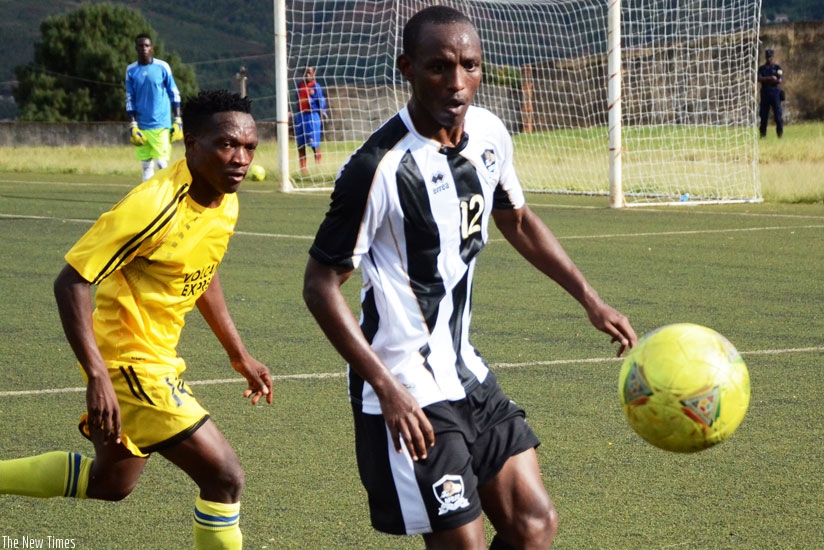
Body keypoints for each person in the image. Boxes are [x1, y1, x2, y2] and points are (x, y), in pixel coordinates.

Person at [302, 6, 637, 549]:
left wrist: (589, 300)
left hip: (465, 371)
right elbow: (319, 285)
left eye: (469, 66)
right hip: (404, 383)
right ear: (407, 67)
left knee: (534, 524)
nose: (456, 83)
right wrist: (386, 388)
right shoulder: (377, 167)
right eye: (438, 67)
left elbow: (517, 221)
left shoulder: (488, 133)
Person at [0, 89, 272, 550]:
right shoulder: (152, 206)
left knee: (111, 483)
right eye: (227, 144)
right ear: (191, 144)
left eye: (249, 148)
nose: (240, 159)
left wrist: (238, 353)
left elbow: (201, 270)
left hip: (153, 356)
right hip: (129, 363)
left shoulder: (224, 197)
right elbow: (72, 281)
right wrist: (98, 376)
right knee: (224, 477)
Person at [126, 33, 183, 181]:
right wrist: (133, 124)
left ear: (152, 48)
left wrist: (178, 118)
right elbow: (129, 97)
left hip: (161, 124)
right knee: (146, 165)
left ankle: (169, 193)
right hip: (141, 125)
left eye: (147, 45)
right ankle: (148, 197)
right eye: (140, 46)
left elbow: (174, 93)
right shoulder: (131, 70)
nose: (144, 48)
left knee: (161, 163)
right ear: (136, 48)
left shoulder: (162, 67)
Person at [294, 65, 327, 175]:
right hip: (301, 116)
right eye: (305, 72)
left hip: (312, 117)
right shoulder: (299, 86)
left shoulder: (316, 87)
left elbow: (321, 103)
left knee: (314, 144)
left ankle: (318, 168)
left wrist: (323, 116)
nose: (307, 75)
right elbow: (297, 101)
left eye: (309, 72)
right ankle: (303, 170)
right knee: (300, 144)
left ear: (314, 74)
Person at [757, 48, 784, 139]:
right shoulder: (762, 68)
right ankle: (763, 135)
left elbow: (779, 80)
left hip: (775, 94)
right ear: (765, 57)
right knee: (763, 116)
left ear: (773, 57)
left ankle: (779, 134)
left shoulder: (777, 68)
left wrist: (773, 80)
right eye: (768, 57)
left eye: (770, 57)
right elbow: (759, 79)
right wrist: (770, 78)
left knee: (778, 116)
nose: (769, 59)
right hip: (765, 94)